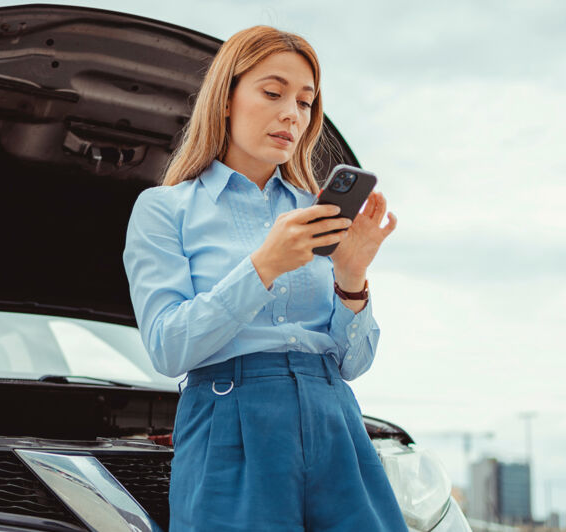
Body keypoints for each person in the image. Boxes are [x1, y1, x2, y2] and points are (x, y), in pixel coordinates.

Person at [122, 25, 401, 531]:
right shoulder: (165, 210)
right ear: (225, 98)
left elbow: (353, 364)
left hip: (334, 416)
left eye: (306, 102)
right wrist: (263, 266)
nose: (292, 114)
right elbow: (167, 349)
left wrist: (351, 278)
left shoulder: (318, 211)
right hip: (229, 421)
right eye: (273, 93)